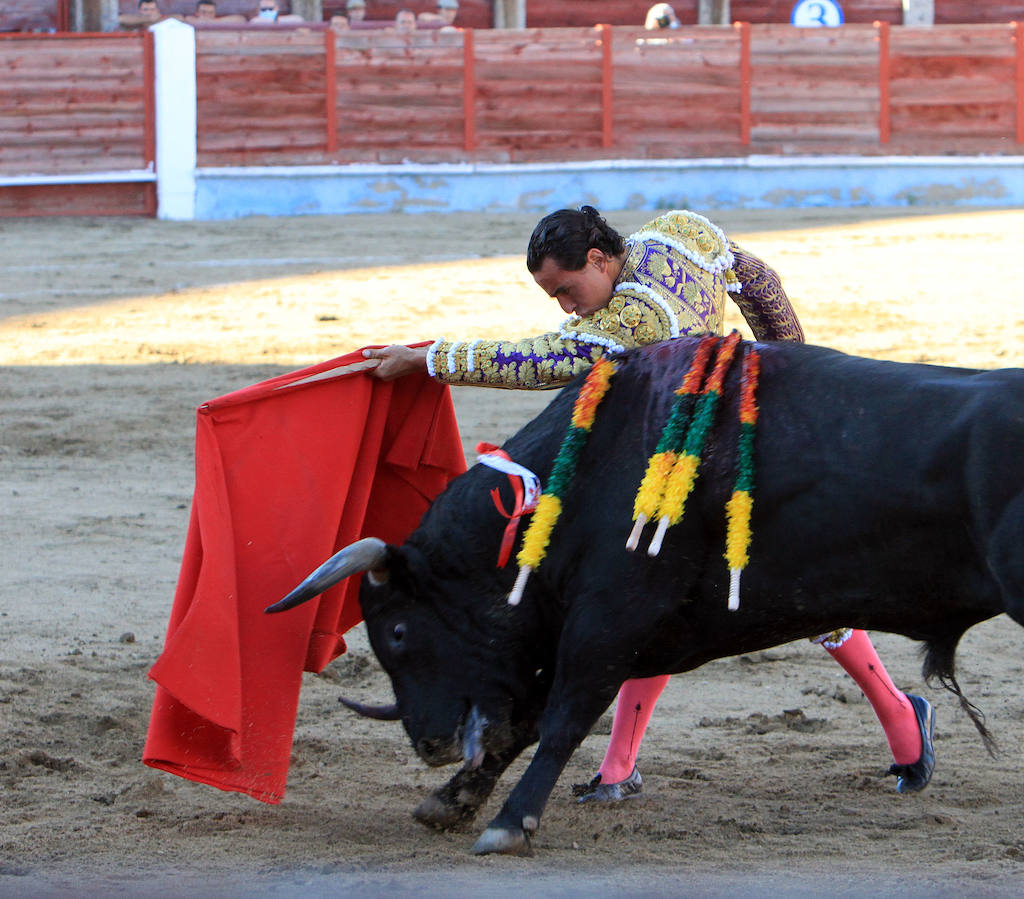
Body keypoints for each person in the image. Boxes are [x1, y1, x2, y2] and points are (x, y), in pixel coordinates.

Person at [364, 207, 936, 802]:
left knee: (765, 594)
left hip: (699, 461)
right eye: (552, 295)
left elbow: (540, 359)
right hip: (680, 461)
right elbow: (757, 277)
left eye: (567, 289)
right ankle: (618, 769)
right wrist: (792, 364)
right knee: (650, 597)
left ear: (597, 259)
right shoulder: (678, 231)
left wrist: (429, 359)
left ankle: (902, 718)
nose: (564, 305)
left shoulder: (634, 320)